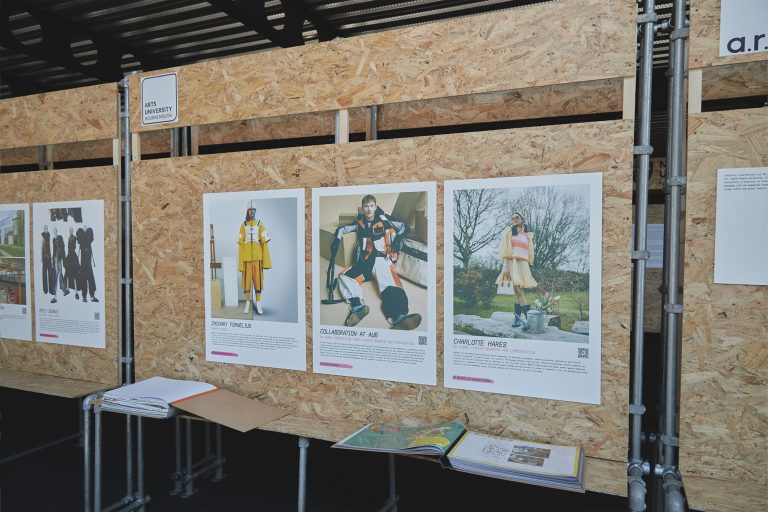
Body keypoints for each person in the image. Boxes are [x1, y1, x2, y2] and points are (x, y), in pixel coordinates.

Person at [331, 194, 421, 330]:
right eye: (366, 206)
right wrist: (336, 241)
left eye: (371, 206)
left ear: (375, 207)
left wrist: (397, 239)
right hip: (365, 262)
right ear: (363, 208)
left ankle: (399, 316)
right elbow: (342, 229)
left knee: (391, 286)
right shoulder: (359, 222)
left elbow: (404, 227)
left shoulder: (384, 219)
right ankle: (358, 307)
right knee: (344, 276)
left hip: (381, 260)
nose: (369, 209)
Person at [495, 211, 537, 327]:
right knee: (519, 292)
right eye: (512, 218)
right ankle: (530, 321)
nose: (514, 220)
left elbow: (529, 253)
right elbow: (505, 251)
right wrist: (505, 268)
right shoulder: (509, 233)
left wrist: (528, 265)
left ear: (522, 220)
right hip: (511, 264)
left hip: (523, 265)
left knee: (519, 293)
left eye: (517, 217)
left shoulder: (528, 236)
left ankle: (517, 318)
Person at [237, 203, 271, 315]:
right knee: (246, 282)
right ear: (247, 211)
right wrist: (240, 263)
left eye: (253, 210)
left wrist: (265, 261)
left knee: (258, 282)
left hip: (257, 259)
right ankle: (247, 302)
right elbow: (240, 244)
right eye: (250, 210)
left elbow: (264, 243)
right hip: (247, 259)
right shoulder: (243, 225)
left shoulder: (260, 224)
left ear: (256, 211)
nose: (251, 212)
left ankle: (258, 302)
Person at [77, 225, 98, 303]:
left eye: (85, 228)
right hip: (83, 263)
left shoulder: (89, 236)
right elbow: (79, 239)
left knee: (90, 279)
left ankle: (92, 296)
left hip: (88, 263)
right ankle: (84, 297)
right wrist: (83, 233)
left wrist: (86, 233)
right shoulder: (81, 237)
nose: (85, 229)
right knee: (83, 279)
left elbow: (90, 238)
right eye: (83, 228)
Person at [51, 227, 69, 303]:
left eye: (55, 230)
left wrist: (64, 258)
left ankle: (64, 290)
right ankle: (55, 296)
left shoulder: (60, 237)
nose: (55, 232)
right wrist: (52, 258)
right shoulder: (53, 239)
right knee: (56, 274)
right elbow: (54, 249)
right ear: (53, 232)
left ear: (57, 231)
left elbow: (63, 246)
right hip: (56, 258)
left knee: (60, 274)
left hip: (60, 257)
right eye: (54, 231)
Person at [64, 227, 80, 299]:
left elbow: (75, 246)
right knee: (67, 274)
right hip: (69, 256)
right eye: (70, 230)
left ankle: (76, 292)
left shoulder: (75, 237)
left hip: (73, 256)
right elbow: (68, 248)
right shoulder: (68, 238)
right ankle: (67, 289)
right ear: (69, 231)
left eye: (71, 230)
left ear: (73, 231)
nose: (70, 231)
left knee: (74, 275)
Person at [40, 225, 55, 297]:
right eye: (45, 228)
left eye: (46, 228)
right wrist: (41, 256)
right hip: (44, 256)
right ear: (44, 229)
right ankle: (45, 290)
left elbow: (50, 246)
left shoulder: (49, 235)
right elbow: (41, 246)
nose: (45, 229)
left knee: (50, 273)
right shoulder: (42, 235)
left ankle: (51, 290)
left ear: (47, 229)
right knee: (44, 273)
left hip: (49, 256)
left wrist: (51, 256)